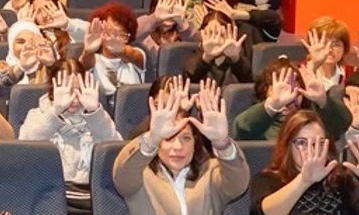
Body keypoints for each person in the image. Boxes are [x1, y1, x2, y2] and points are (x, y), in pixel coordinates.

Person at [112, 80, 249, 214]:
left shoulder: (211, 172)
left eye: (186, 138)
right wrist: (153, 137)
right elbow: (123, 174)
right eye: (169, 138)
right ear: (157, 144)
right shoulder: (141, 176)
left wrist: (222, 143)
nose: (178, 147)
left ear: (195, 144)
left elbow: (238, 184)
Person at [18, 63, 121, 211]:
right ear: (53, 89)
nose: (73, 98)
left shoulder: (97, 118)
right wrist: (55, 111)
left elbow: (115, 151)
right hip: (50, 199)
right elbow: (25, 149)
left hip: (93, 199)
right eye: (67, 90)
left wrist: (94, 111)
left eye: (78, 90)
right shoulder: (37, 115)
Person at [249, 109, 359, 214]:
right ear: (287, 145)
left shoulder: (341, 179)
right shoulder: (268, 179)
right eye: (301, 142)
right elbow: (263, 213)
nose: (311, 149)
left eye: (318, 143)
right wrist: (304, 180)